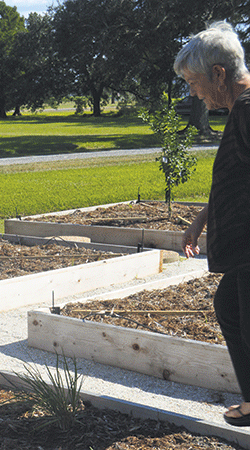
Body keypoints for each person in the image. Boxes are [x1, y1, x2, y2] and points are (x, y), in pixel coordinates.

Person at [176, 21, 250, 427]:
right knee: (230, 308)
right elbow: (238, 177)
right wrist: (202, 219)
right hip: (242, 245)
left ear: (218, 74)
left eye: (194, 81)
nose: (193, 92)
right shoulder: (240, 110)